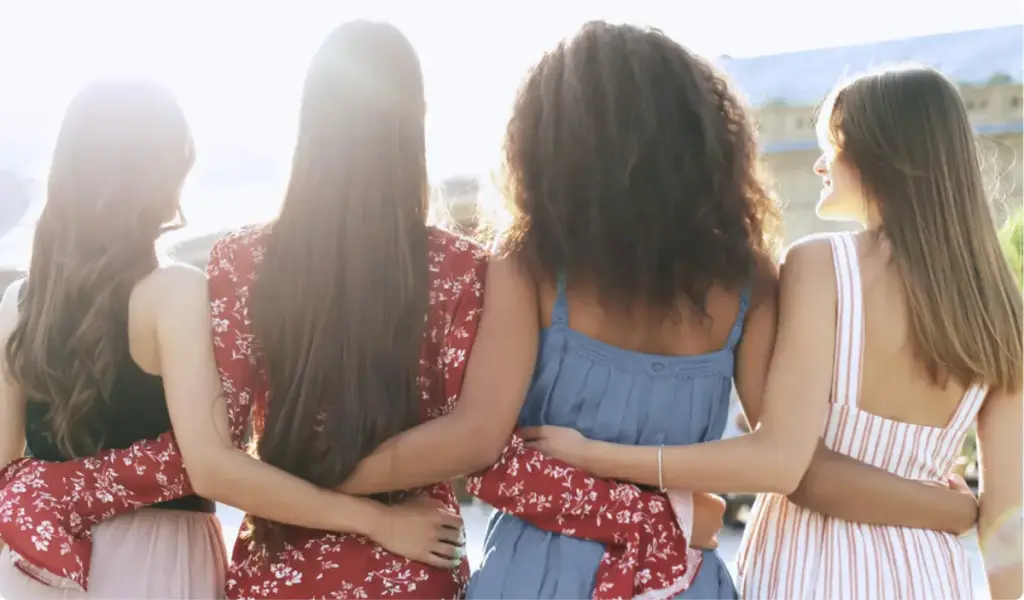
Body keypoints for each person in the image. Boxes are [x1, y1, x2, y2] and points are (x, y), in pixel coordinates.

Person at [463, 24, 983, 599]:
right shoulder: (747, 281)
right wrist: (948, 509)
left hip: (535, 574)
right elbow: (789, 462)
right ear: (701, 140)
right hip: (676, 578)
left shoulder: (528, 263)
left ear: (551, 142)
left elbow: (479, 445)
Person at [0, 67, 471, 598]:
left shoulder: (17, 304)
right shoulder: (173, 294)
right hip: (156, 564)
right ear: (165, 174)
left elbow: (5, 465)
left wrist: (55, 494)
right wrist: (377, 520)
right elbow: (212, 467)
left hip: (36, 563)